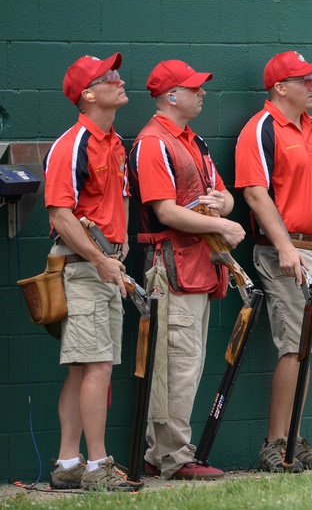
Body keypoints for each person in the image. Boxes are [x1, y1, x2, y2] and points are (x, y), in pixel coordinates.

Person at [127, 60, 246, 480]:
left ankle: (162, 454)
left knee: (182, 363)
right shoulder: (153, 142)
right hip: (171, 264)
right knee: (177, 363)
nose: (203, 93)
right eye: (195, 88)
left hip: (196, 265)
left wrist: (223, 207)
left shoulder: (195, 142)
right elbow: (165, 213)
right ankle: (175, 457)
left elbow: (225, 195)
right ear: (171, 96)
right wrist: (222, 223)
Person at [234, 50, 312, 473]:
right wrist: (284, 246)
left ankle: (294, 441)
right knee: (293, 347)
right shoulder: (260, 129)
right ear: (281, 87)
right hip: (283, 252)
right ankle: (276, 444)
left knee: (308, 350)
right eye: (305, 80)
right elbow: (254, 193)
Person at [44, 53, 143, 491]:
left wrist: (113, 260)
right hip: (83, 267)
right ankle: (97, 467)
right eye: (110, 77)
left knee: (83, 367)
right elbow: (61, 215)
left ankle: (68, 464)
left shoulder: (115, 142)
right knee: (97, 364)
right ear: (88, 94)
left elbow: (116, 205)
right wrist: (102, 260)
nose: (120, 81)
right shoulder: (72, 143)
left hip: (103, 267)